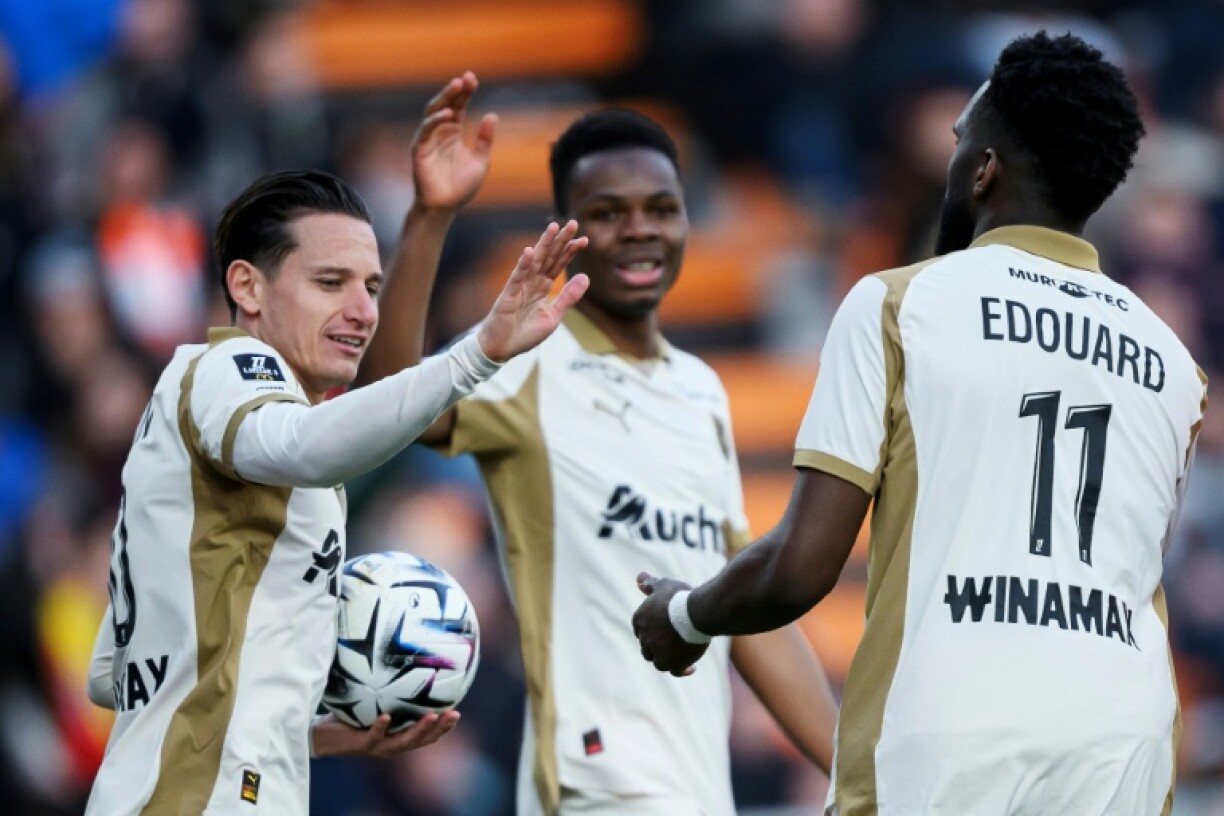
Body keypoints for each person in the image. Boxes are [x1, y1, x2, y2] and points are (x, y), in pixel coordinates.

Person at [633, 31, 1207, 815]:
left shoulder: (900, 304)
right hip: (1123, 744)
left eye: (961, 134)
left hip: (949, 737)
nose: (951, 149)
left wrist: (684, 615)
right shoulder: (1174, 364)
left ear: (985, 169)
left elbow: (800, 569)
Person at [81, 75, 590, 815]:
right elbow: (304, 446)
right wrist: (479, 351)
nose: (361, 311)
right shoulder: (224, 368)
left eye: (371, 286)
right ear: (247, 288)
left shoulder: (225, 441)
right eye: (329, 282)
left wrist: (307, 728)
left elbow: (114, 674)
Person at [364, 105, 839, 814]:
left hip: (699, 789)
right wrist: (430, 220)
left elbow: (748, 616)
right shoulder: (526, 360)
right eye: (609, 212)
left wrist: (857, 769)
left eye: (661, 208)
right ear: (569, 231)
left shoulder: (699, 390)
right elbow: (384, 401)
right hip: (594, 784)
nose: (641, 228)